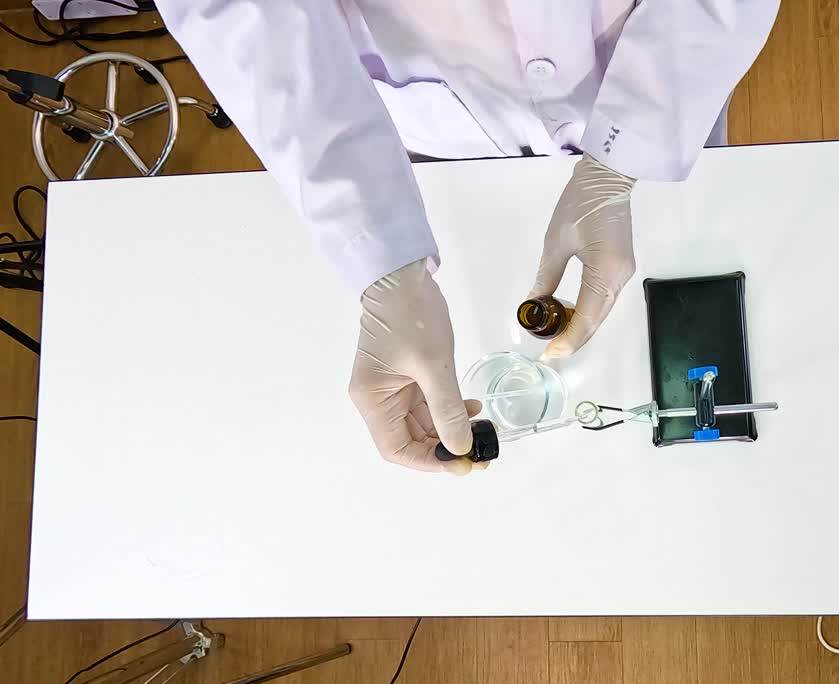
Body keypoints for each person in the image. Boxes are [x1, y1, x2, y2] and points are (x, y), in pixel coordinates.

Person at [153, 0, 779, 474]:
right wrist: (382, 263)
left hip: (653, 65)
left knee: (699, 262)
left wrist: (621, 156)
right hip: (439, 117)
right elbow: (247, 18)